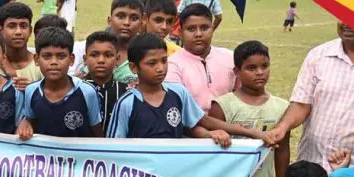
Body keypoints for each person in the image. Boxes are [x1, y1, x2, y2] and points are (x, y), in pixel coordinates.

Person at [262, 22, 354, 171]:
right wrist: (282, 127)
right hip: (313, 165)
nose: (347, 23)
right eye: (342, 16)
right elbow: (301, 104)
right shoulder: (319, 55)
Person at [108, 33, 267, 144]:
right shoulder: (126, 104)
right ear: (134, 67)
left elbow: (199, 122)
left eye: (164, 61)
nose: (160, 68)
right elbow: (113, 148)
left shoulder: (178, 92)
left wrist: (211, 134)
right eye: (152, 63)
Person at [209, 41, 289, 177]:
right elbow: (212, 152)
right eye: (251, 68)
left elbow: (283, 151)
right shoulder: (223, 105)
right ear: (237, 71)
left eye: (265, 66)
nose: (260, 73)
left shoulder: (282, 107)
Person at [18, 27, 102, 139]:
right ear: (37, 59)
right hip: (44, 156)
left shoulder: (87, 92)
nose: (54, 62)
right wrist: (25, 123)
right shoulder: (31, 91)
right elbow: (30, 121)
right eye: (47, 56)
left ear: (71, 59)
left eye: (61, 56)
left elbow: (97, 133)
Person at [165, 4, 237, 112]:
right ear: (180, 33)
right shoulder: (172, 65)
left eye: (204, 28)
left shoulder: (231, 58)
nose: (198, 34)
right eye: (191, 29)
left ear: (212, 29)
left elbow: (243, 97)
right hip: (190, 127)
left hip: (230, 125)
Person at [81, 31, 127, 133]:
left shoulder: (127, 93)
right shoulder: (75, 90)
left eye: (108, 55)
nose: (101, 60)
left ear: (117, 59)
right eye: (94, 55)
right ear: (85, 59)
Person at [0, 2, 42, 86]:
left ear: (30, 30)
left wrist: (31, 89)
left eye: (23, 26)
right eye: (11, 26)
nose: (18, 32)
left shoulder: (41, 65)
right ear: (1, 31)